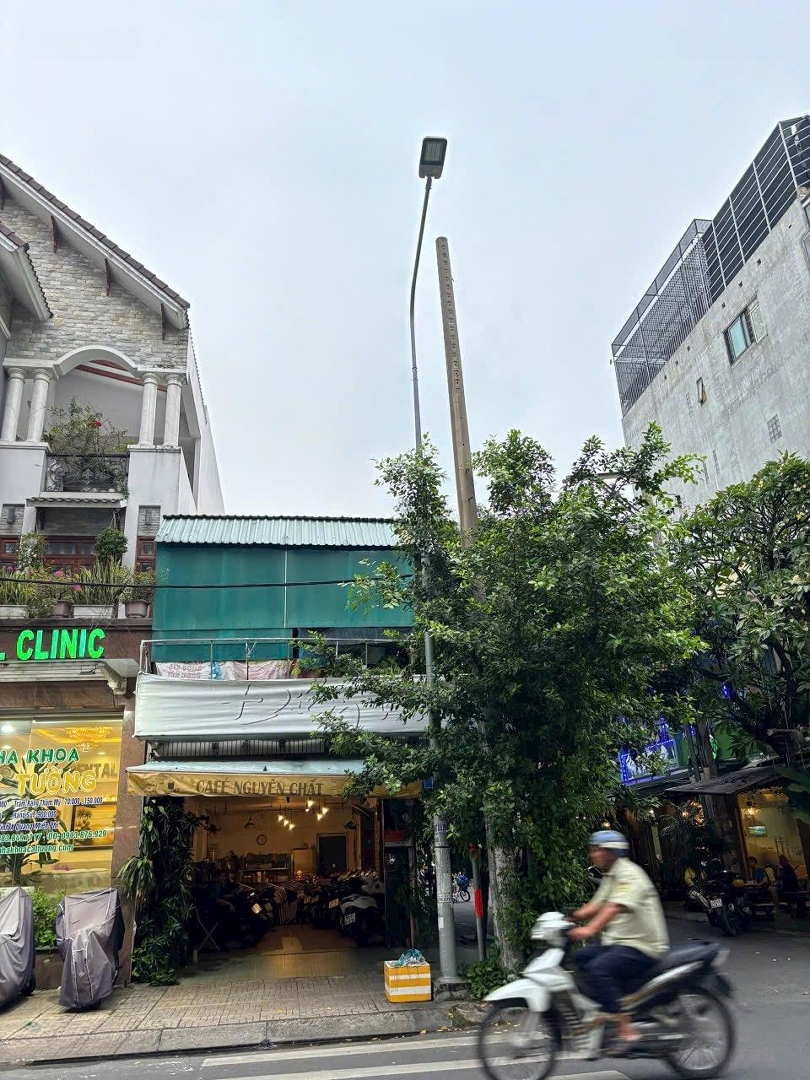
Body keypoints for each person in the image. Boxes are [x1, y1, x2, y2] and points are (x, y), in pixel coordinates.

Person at [569, 830, 669, 1043]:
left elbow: (614, 907)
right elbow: (595, 905)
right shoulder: (611, 876)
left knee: (599, 969)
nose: (593, 855)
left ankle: (625, 1025)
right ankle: (611, 1003)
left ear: (611, 852)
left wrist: (589, 929)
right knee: (581, 958)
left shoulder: (629, 874)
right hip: (620, 942)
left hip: (642, 945)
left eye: (597, 850)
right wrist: (568, 919)